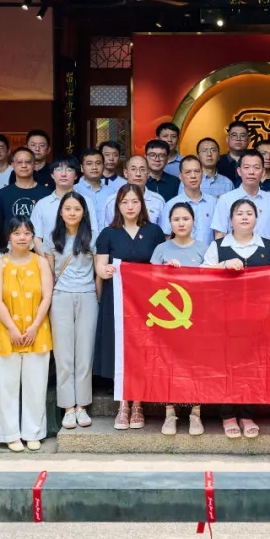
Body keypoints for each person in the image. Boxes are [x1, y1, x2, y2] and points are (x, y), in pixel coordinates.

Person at [204, 199, 270, 438]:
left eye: (249, 213)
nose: (245, 217)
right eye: (239, 213)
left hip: (258, 318)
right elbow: (201, 276)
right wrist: (223, 265)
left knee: (252, 366)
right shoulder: (218, 246)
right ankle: (228, 415)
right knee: (226, 365)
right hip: (224, 318)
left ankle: (247, 414)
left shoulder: (267, 246)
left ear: (257, 219)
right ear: (231, 219)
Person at [95, 184, 167, 429]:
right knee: (120, 349)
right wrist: (104, 270)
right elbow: (100, 266)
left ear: (142, 204)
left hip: (146, 301)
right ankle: (123, 404)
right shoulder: (108, 233)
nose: (130, 206)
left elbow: (159, 265)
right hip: (116, 300)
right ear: (118, 205)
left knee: (142, 348)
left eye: (135, 201)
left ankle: (138, 404)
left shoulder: (154, 232)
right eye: (125, 201)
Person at [0, 216, 54, 451]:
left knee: (36, 384)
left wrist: (34, 326)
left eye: (27, 233)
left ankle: (32, 432)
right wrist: (13, 329)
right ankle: (9, 434)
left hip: (37, 329)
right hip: (4, 330)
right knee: (5, 385)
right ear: (9, 236)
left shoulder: (41, 262)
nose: (22, 237)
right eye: (17, 233)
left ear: (32, 236)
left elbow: (47, 295)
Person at [40, 191, 98, 431]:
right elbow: (48, 272)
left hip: (87, 295)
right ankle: (68, 408)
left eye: (77, 209)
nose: (72, 213)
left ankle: (82, 406)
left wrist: (97, 298)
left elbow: (98, 273)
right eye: (68, 209)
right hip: (60, 296)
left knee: (84, 354)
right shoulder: (52, 238)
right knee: (63, 355)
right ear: (61, 212)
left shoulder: (93, 237)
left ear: (84, 212)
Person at [151, 202, 210, 437]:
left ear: (193, 221)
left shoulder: (205, 248)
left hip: (197, 317)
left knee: (196, 365)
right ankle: (170, 412)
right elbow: (148, 282)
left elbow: (211, 281)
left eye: (186, 218)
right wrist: (165, 272)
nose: (181, 223)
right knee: (169, 364)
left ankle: (196, 412)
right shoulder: (161, 249)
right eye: (176, 219)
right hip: (168, 319)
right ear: (170, 223)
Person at [211, 150, 270, 242]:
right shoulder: (225, 200)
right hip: (232, 251)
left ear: (263, 172)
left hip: (264, 250)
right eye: (246, 167)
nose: (251, 172)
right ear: (239, 171)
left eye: (256, 168)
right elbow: (220, 234)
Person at [32, 155, 101, 245]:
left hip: (81, 253)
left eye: (69, 170)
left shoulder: (86, 202)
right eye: (59, 169)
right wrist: (46, 255)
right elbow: (36, 238)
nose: (63, 174)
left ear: (76, 175)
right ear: (52, 175)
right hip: (47, 253)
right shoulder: (42, 204)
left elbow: (93, 233)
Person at [0, 146, 50, 232]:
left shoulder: (46, 194)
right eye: (19, 162)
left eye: (28, 162)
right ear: (12, 165)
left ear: (34, 164)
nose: (24, 166)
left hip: (39, 240)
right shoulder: (2, 194)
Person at [163, 155, 218, 245]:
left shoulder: (214, 203)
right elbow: (167, 238)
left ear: (202, 174)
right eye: (188, 172)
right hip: (181, 253)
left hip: (209, 253)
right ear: (180, 176)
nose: (193, 176)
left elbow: (219, 234)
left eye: (197, 171)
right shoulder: (171, 205)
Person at [102, 156, 166, 228]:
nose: (138, 174)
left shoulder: (158, 201)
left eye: (142, 169)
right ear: (126, 173)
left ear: (148, 174)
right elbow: (107, 231)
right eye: (133, 169)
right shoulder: (112, 201)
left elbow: (163, 231)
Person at [74, 148, 114, 225]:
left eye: (98, 163)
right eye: (89, 164)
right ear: (82, 168)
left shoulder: (112, 192)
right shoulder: (75, 191)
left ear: (103, 166)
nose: (94, 167)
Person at [217, 120, 251, 184]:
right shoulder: (217, 161)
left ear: (249, 140)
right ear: (227, 139)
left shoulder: (255, 161)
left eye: (242, 135)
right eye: (234, 135)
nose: (238, 139)